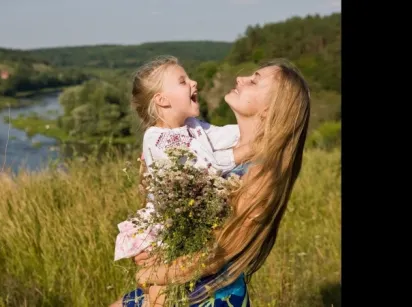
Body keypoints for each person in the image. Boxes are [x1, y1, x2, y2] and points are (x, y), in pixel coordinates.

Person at [112, 58, 311, 307]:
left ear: (270, 109)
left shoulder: (260, 173)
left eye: (254, 81)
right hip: (180, 283)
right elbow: (172, 207)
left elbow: (217, 254)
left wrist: (151, 274)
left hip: (209, 296)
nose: (240, 78)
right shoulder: (210, 141)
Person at [113, 55, 243, 263]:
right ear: (162, 100)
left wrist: (256, 128)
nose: (194, 83)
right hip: (169, 227)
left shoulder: (193, 125)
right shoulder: (156, 138)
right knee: (162, 283)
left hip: (193, 218)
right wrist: (242, 152)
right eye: (183, 81)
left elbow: (223, 135)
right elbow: (205, 169)